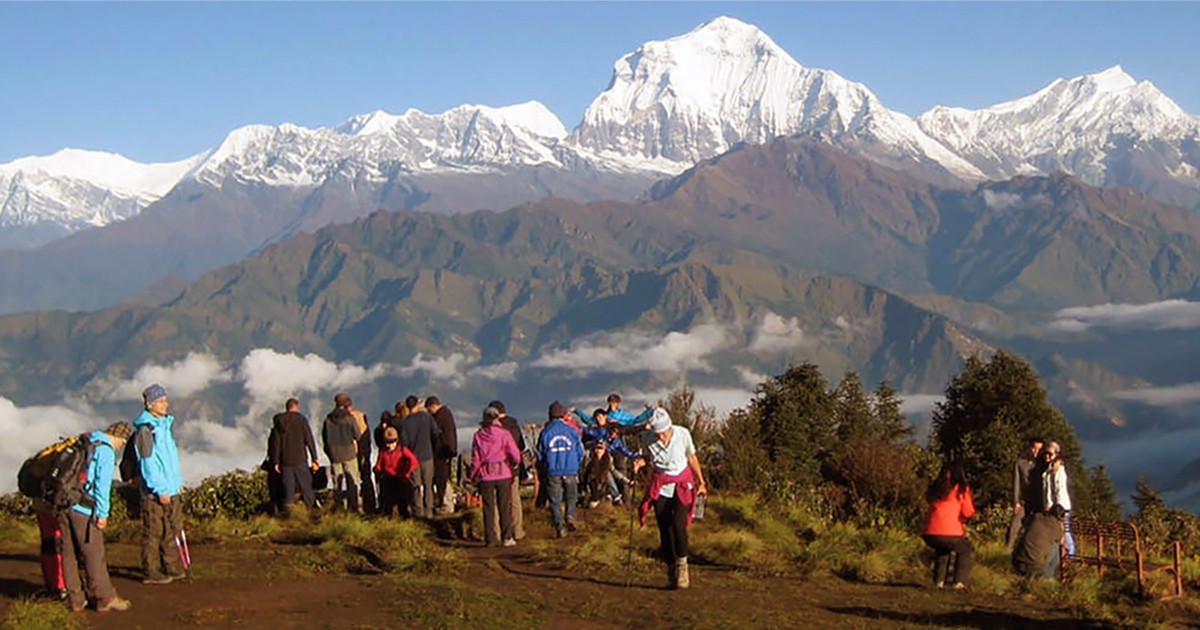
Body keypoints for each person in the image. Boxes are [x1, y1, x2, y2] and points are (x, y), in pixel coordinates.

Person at [634, 408, 707, 590]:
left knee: (678, 525)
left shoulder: (682, 434)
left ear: (669, 427)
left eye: (664, 433)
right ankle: (670, 568)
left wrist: (701, 481)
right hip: (662, 485)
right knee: (664, 528)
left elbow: (691, 457)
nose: (661, 437)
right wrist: (639, 463)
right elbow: (647, 457)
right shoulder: (647, 439)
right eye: (658, 433)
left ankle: (682, 566)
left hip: (682, 483)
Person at [133, 384, 186, 585]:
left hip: (171, 488)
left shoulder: (163, 426)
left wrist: (177, 483)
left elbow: (170, 460)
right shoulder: (147, 430)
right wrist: (160, 489)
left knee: (171, 528)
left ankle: (170, 565)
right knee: (154, 530)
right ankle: (151, 570)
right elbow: (148, 463)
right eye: (162, 401)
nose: (166, 404)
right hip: (154, 492)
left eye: (166, 400)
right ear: (150, 404)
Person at [471, 406, 522, 547]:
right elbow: (515, 454)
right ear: (497, 418)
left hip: (485, 474)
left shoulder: (478, 435)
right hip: (503, 473)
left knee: (488, 508)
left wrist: (473, 475)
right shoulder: (504, 434)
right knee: (504, 506)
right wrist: (515, 463)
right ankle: (507, 537)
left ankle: (490, 539)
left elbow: (476, 458)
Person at [920, 463, 976, 589]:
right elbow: (968, 512)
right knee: (965, 548)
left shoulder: (936, 488)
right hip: (951, 533)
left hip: (929, 532)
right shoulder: (961, 489)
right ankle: (959, 581)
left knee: (942, 549)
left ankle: (939, 581)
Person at [537, 401, 584, 538]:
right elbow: (580, 452)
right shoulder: (571, 431)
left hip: (553, 471)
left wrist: (545, 468)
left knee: (555, 501)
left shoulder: (545, 433)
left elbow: (540, 455)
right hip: (570, 470)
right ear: (563, 415)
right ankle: (570, 516)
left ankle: (560, 527)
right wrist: (576, 464)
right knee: (571, 496)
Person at [270, 398, 321, 514]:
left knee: (288, 488)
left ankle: (289, 513)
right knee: (306, 486)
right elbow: (309, 439)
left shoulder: (279, 422)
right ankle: (312, 512)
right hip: (300, 458)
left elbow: (276, 443)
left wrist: (276, 461)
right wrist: (315, 458)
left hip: (285, 460)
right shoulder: (301, 420)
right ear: (296, 407)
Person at [490, 400, 527, 541]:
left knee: (496, 502)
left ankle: (497, 532)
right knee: (514, 500)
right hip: (513, 468)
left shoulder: (492, 428)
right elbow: (521, 446)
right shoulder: (514, 426)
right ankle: (517, 530)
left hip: (496, 469)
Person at [401, 396, 440, 518]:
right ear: (417, 405)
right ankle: (429, 511)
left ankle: (418, 512)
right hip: (427, 455)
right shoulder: (426, 417)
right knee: (428, 485)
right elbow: (435, 432)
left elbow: (404, 443)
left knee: (416, 486)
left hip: (413, 459)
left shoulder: (405, 422)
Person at [323, 398, 362, 513]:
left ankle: (338, 507)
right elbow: (357, 435)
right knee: (352, 481)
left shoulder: (328, 419)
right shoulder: (349, 418)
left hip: (334, 454)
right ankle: (353, 507)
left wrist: (329, 452)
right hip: (349, 453)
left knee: (337, 483)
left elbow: (324, 438)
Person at [1041, 441, 1073, 578]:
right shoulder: (1049, 469)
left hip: (1060, 509)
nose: (1047, 456)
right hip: (1052, 508)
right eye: (1046, 453)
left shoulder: (1058, 470)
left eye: (1050, 453)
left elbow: (1059, 490)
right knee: (1059, 535)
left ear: (1056, 455)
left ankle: (1069, 558)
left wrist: (1057, 507)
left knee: (1065, 534)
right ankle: (1061, 561)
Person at [1007, 437, 1044, 551]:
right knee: (1015, 525)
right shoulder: (1021, 463)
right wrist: (1016, 501)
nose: (1036, 451)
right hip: (1024, 500)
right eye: (1034, 448)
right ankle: (1008, 549)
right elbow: (1016, 483)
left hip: (1039, 501)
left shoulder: (1043, 464)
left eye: (1039, 449)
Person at [374, 427, 419, 518]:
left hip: (400, 480)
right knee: (387, 505)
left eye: (392, 442)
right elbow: (379, 464)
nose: (389, 445)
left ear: (397, 441)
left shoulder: (402, 450)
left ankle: (405, 520)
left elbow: (414, 462)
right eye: (387, 442)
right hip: (388, 480)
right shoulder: (383, 451)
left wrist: (407, 471)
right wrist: (377, 470)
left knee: (402, 505)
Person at [342, 395, 375, 514]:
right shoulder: (361, 416)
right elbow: (367, 437)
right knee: (365, 479)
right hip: (363, 452)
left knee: (354, 480)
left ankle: (355, 506)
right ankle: (369, 505)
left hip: (353, 453)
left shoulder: (350, 418)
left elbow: (359, 437)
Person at [427, 396, 458, 514]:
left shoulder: (441, 416)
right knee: (443, 478)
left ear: (433, 406)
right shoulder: (446, 414)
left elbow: (436, 433)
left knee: (442, 478)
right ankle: (444, 503)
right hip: (446, 451)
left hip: (442, 452)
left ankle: (446, 504)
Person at [32, 499, 65, 599]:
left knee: (49, 545)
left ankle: (53, 584)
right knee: (57, 545)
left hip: (42, 504)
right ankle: (60, 585)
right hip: (60, 505)